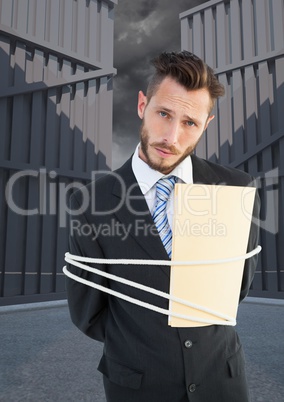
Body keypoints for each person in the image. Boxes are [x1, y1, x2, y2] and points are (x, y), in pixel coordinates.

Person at [66, 51, 260, 402]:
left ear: (207, 124)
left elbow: (238, 288)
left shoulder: (237, 188)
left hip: (222, 381)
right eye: (163, 114)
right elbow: (88, 313)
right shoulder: (90, 203)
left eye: (190, 123)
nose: (171, 136)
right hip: (137, 385)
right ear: (142, 104)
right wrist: (144, 342)